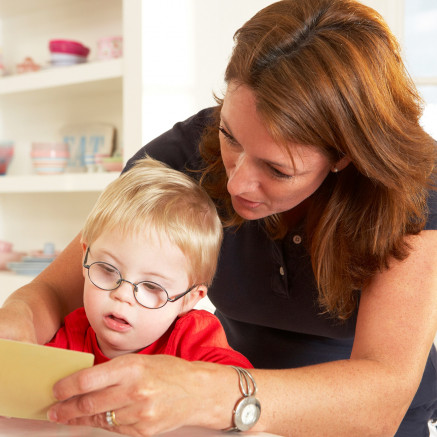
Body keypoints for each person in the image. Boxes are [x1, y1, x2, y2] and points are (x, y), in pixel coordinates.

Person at [1, 0, 436, 436]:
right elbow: (57, 290)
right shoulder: (182, 156)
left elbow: (382, 397)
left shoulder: (411, 190)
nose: (236, 185)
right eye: (230, 136)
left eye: (277, 169)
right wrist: (15, 321)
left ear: (343, 156)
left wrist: (207, 393)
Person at [44, 157, 252, 369]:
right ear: (84, 256)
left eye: (152, 286)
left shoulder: (192, 336)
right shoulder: (71, 333)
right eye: (108, 270)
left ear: (189, 298)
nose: (122, 295)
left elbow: (241, 386)